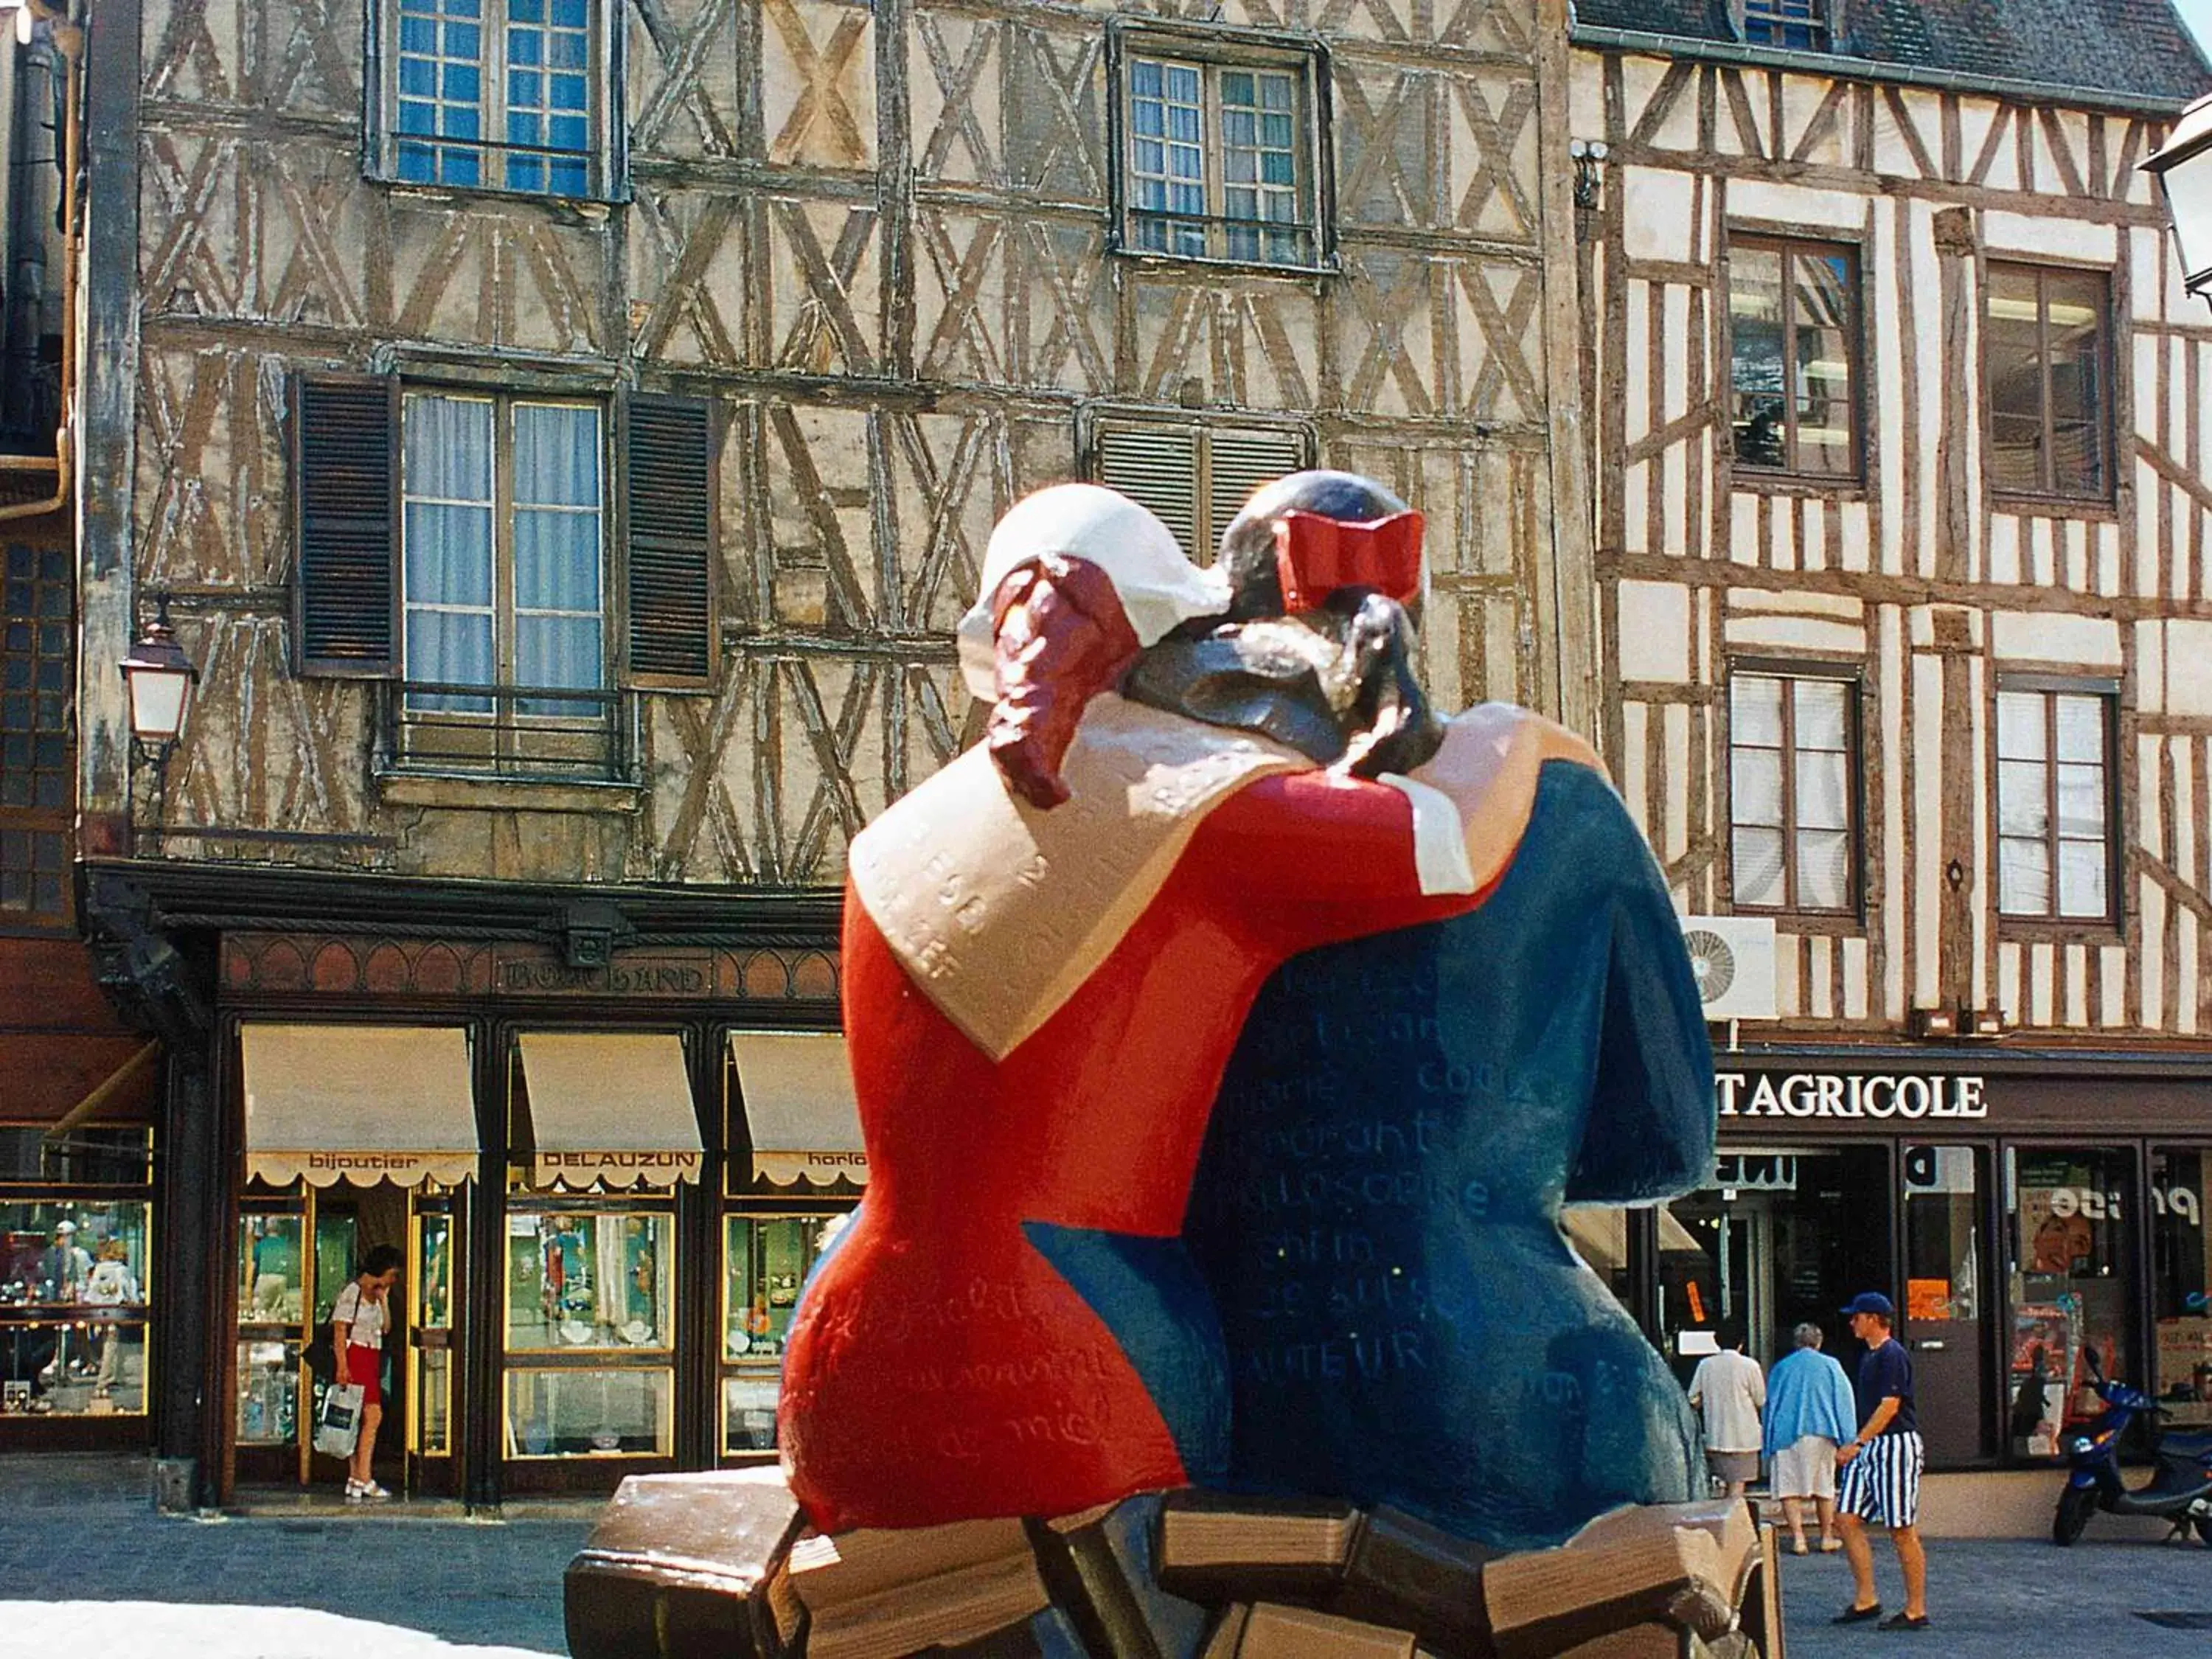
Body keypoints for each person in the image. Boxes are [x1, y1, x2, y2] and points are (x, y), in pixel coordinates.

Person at [780, 479, 1531, 1534]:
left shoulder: (888, 841)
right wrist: (1518, 739)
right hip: (1076, 1336)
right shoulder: (1199, 802)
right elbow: (1451, 849)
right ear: (1175, 631)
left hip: (847, 1340)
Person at [1832, 1291, 1930, 1632]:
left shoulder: (1892, 1355)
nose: (1852, 1322)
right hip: (1871, 1445)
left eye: (1857, 1317)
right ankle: (1866, 1598)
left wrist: (1857, 1442)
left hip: (1893, 1444)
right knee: (1845, 1518)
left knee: (1901, 1528)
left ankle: (1916, 1608)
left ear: (1873, 1318)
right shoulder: (1871, 1356)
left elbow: (1891, 1406)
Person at [1764, 1321, 1857, 1554]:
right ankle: (1826, 1536)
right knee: (1824, 1487)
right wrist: (1849, 1439)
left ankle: (1798, 1539)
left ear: (1796, 1343)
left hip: (1786, 1434)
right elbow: (1844, 1403)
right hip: (1822, 1432)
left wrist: (1767, 1441)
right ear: (1819, 1342)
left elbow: (1770, 1406)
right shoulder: (1831, 1366)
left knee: (1789, 1488)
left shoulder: (1781, 1368)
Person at [331, 1245, 402, 1503]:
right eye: (391, 1274)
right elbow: (340, 1331)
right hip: (356, 1356)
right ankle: (364, 1477)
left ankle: (355, 1477)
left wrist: (384, 1301)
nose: (393, 1280)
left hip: (372, 1356)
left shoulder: (376, 1296)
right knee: (372, 1416)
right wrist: (342, 1366)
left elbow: (386, 1328)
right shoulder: (353, 1292)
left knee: (359, 1417)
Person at [1687, 1321, 1767, 1500]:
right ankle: (1731, 1522)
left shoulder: (1706, 1365)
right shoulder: (1750, 1366)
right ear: (1742, 1342)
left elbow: (1693, 1398)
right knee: (1738, 1485)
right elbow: (1761, 1399)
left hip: (1716, 1435)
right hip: (1744, 1437)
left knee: (1720, 1483)